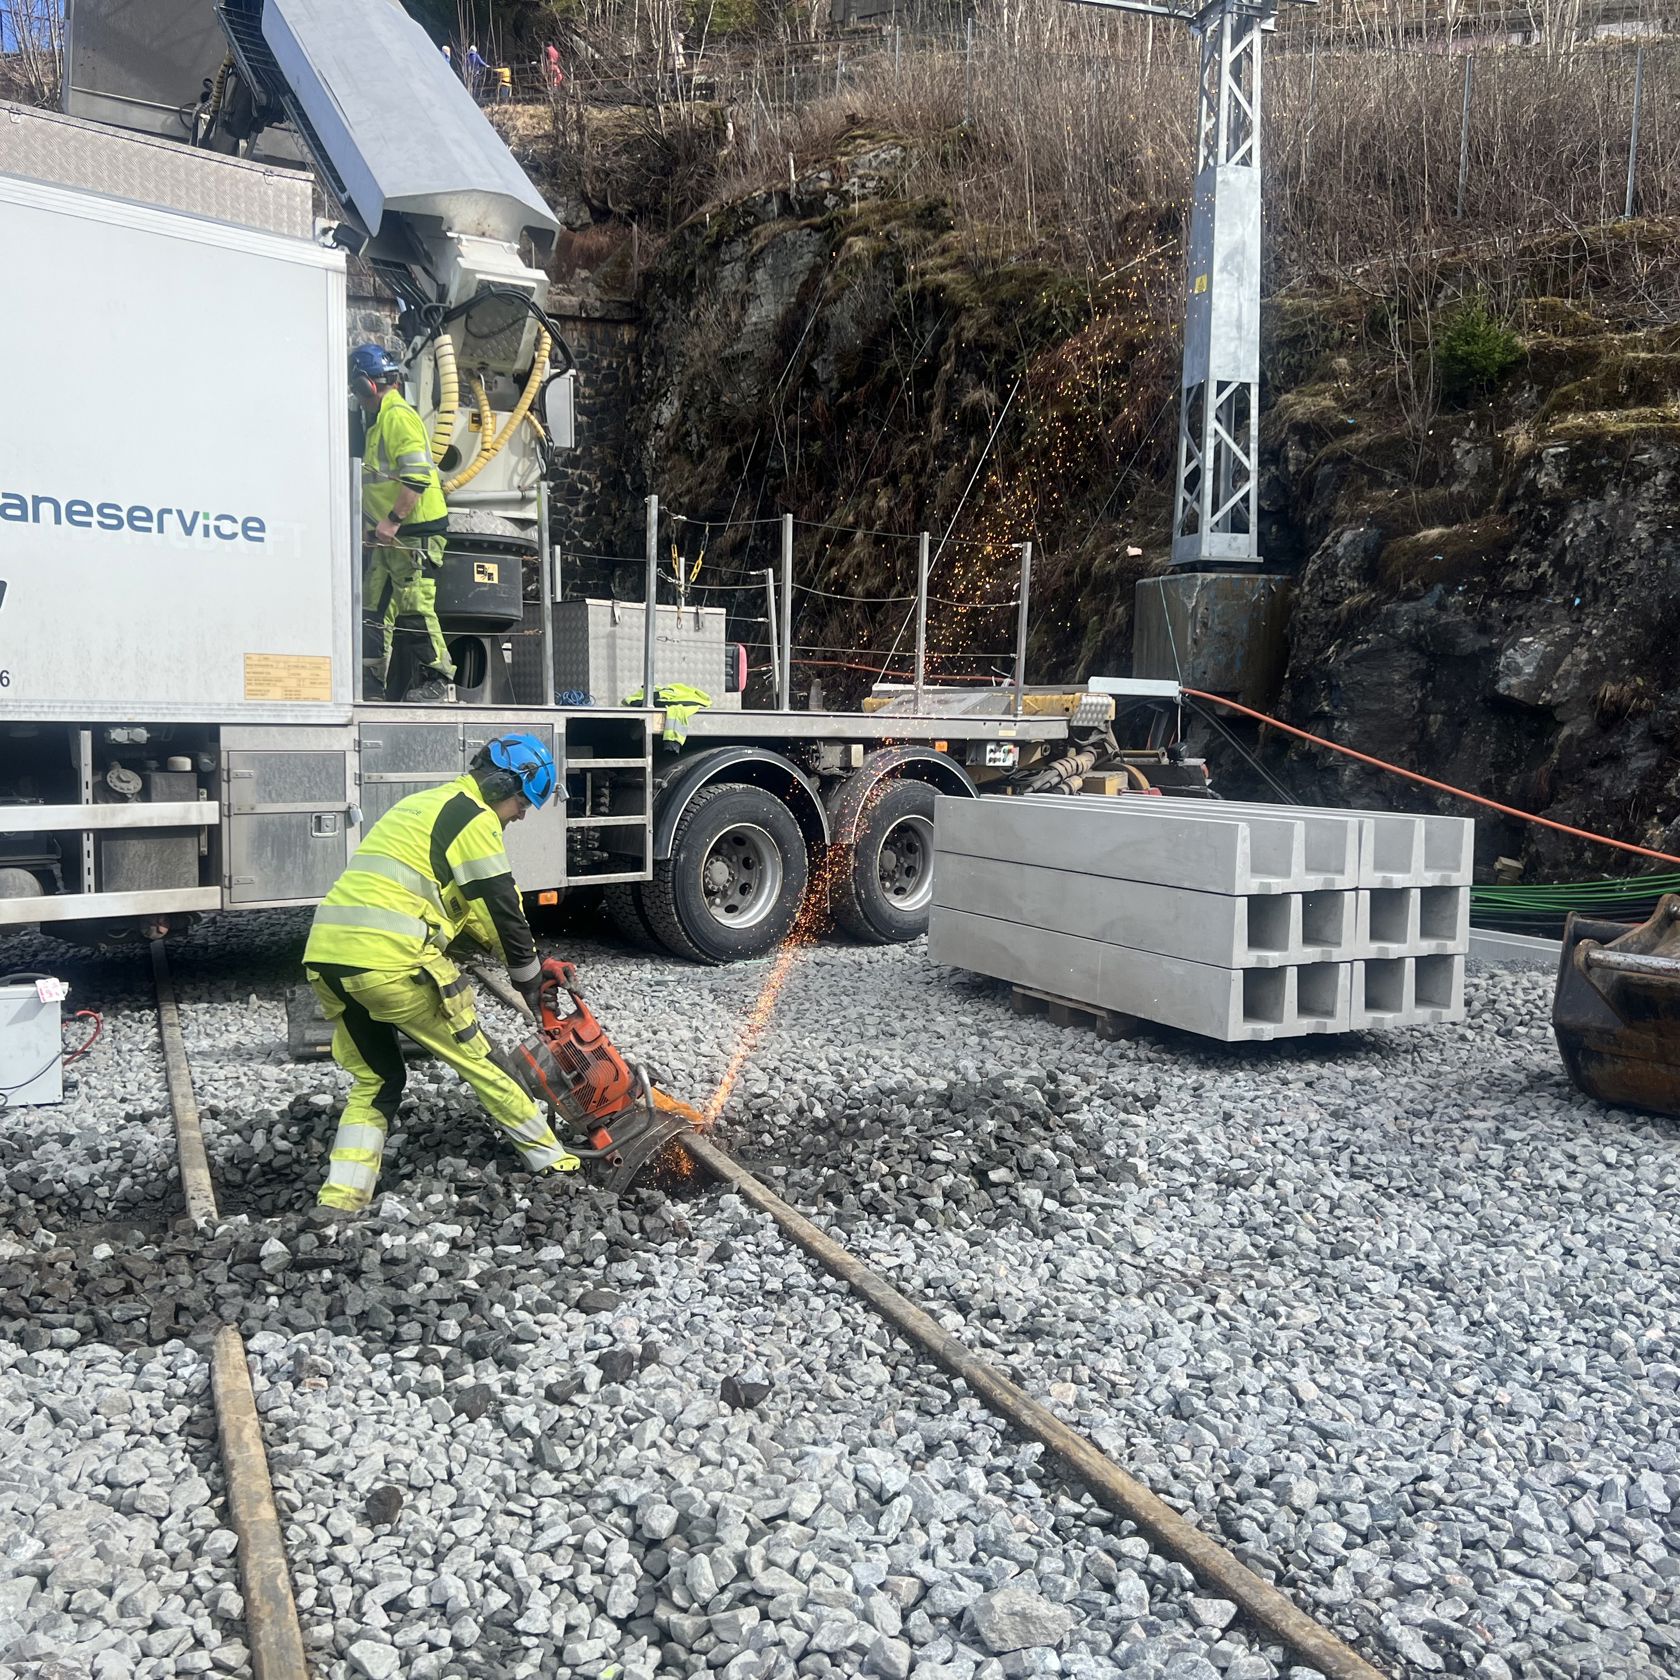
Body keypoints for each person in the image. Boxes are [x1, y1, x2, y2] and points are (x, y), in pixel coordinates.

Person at [302, 735, 580, 1216]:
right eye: (521, 803)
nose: (521, 815)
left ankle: (340, 1200)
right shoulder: (474, 817)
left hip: (328, 960)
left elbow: (474, 914)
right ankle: (556, 1166)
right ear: (501, 785)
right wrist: (532, 983)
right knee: (484, 1062)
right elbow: (501, 907)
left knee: (378, 1079)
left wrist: (534, 961)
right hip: (391, 965)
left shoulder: (424, 805)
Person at [349, 343, 456, 704]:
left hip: (413, 531)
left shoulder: (397, 417)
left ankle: (438, 680)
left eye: (357, 389)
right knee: (373, 605)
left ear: (368, 385)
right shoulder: (379, 420)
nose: (357, 397)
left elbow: (417, 476)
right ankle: (370, 684)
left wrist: (393, 521)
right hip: (390, 533)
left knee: (414, 606)